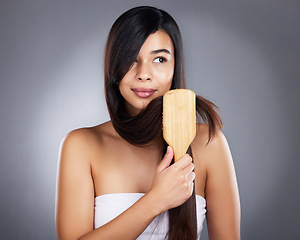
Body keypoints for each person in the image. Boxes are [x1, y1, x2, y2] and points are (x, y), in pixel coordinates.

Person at [55, 6, 240, 240]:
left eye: (160, 59)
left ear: (175, 67)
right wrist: (155, 200)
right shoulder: (82, 145)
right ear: (113, 66)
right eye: (132, 59)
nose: (144, 73)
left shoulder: (209, 143)